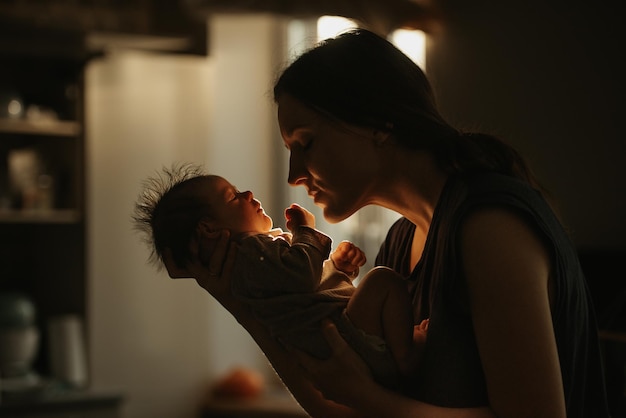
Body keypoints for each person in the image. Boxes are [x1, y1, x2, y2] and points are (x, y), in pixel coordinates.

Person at [181, 28, 610, 418]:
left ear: (376, 126)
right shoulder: (402, 242)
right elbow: (337, 403)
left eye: (306, 143)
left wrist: (371, 401)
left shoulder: (488, 227)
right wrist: (240, 302)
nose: (293, 174)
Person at [132, 164, 428, 391]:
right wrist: (305, 230)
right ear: (208, 229)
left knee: (381, 284)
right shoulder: (250, 252)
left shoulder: (255, 263)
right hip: (348, 335)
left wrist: (337, 269)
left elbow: (306, 289)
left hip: (344, 339)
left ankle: (403, 345)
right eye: (234, 197)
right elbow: (300, 276)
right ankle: (406, 353)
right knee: (382, 280)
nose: (248, 194)